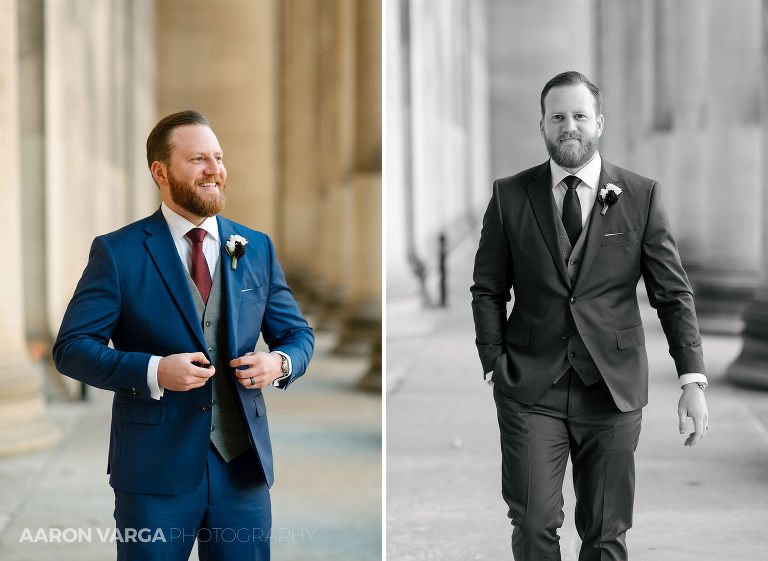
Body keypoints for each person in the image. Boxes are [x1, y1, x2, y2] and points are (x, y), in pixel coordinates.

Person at [53, 110, 314, 560]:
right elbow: (72, 349)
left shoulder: (256, 248)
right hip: (153, 476)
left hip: (241, 473)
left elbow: (297, 333)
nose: (214, 169)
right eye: (198, 158)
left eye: (218, 157)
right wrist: (154, 370)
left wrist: (279, 363)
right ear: (161, 171)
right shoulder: (117, 253)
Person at [470, 71, 709, 561]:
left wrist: (692, 379)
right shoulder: (510, 195)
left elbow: (672, 293)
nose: (569, 126)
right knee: (533, 520)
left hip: (612, 390)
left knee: (605, 533)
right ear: (542, 125)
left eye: (580, 116)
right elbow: (488, 288)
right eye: (558, 117)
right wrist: (493, 359)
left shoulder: (641, 196)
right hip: (530, 387)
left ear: (599, 123)